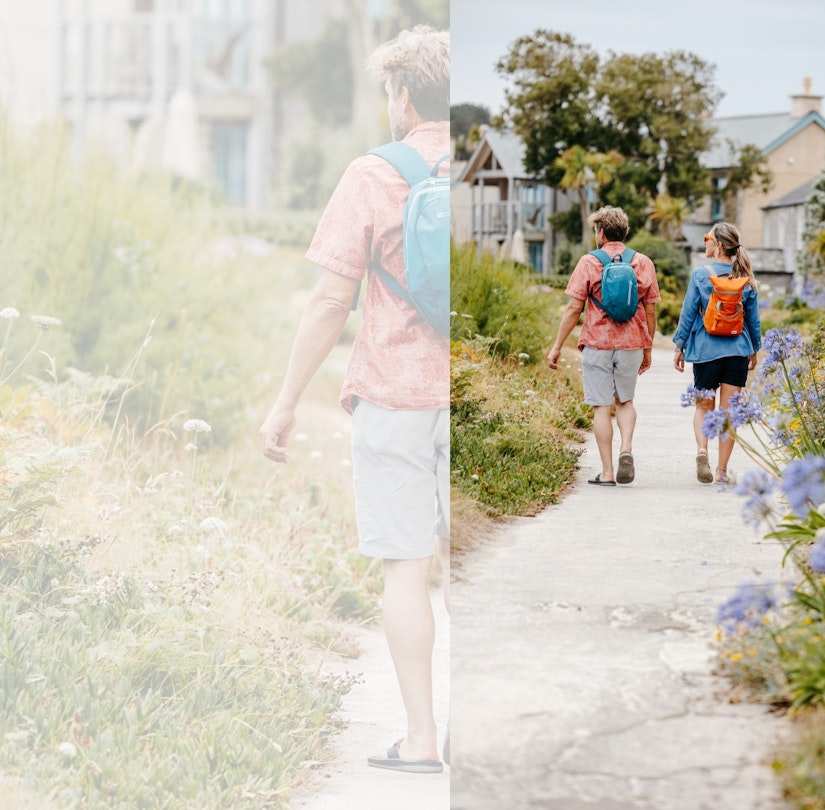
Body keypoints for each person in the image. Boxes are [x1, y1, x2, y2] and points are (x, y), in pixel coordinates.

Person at [259, 26, 449, 774]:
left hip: (395, 395)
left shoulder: (374, 173)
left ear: (402, 96)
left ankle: (423, 740)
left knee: (407, 567)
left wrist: (284, 402)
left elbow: (330, 299)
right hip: (470, 392)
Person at [546, 206, 660, 486]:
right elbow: (651, 311)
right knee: (626, 401)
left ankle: (608, 471)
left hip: (597, 343)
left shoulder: (589, 262)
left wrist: (558, 346)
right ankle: (626, 449)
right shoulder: (642, 262)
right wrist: (648, 347)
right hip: (632, 342)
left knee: (601, 407)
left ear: (602, 232)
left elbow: (574, 308)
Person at [672, 222, 762, 485]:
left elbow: (688, 313)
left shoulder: (701, 275)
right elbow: (753, 321)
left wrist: (679, 345)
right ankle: (722, 471)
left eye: (708, 238)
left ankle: (702, 450)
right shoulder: (745, 278)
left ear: (719, 245)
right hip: (737, 352)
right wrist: (754, 349)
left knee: (703, 407)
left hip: (705, 351)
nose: (706, 243)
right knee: (728, 413)